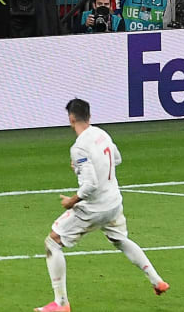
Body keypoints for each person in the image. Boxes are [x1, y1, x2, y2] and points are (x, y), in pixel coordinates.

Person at [33, 98, 169, 312]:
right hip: (113, 202)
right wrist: (83, 167)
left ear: (71, 119)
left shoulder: (78, 148)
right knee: (121, 240)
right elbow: (117, 159)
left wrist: (71, 201)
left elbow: (90, 185)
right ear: (89, 116)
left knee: (53, 242)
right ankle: (157, 280)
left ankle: (61, 304)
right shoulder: (102, 134)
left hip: (93, 208)